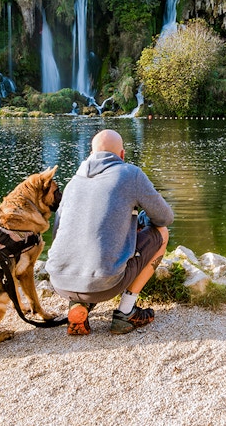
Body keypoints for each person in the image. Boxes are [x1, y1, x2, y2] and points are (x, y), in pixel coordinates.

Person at [46, 129, 174, 335]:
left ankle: (79, 305)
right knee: (162, 233)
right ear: (122, 155)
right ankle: (126, 311)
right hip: (106, 283)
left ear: (91, 154)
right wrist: (139, 221)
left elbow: (57, 233)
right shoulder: (130, 174)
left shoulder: (73, 183)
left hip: (60, 282)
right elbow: (164, 218)